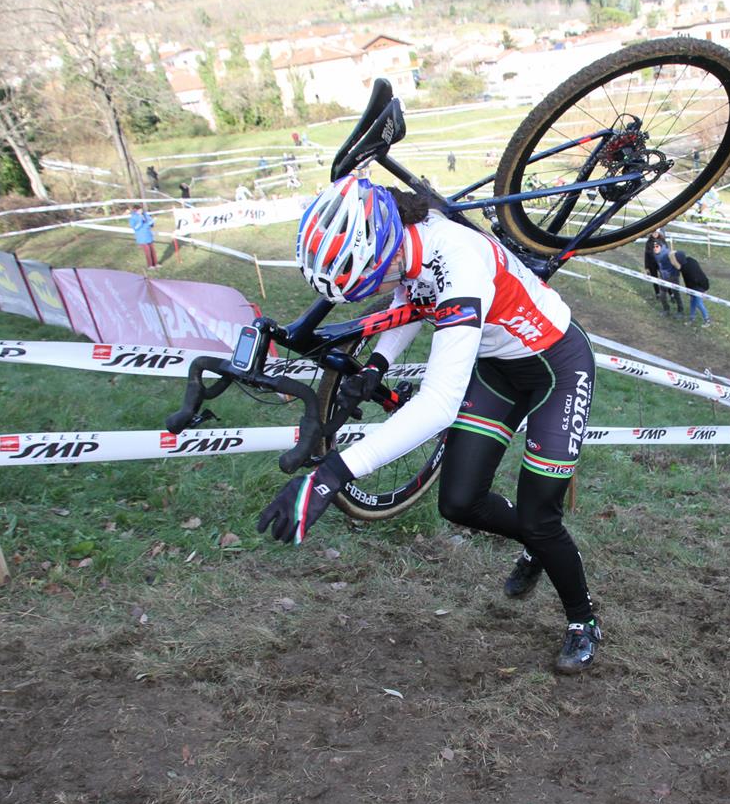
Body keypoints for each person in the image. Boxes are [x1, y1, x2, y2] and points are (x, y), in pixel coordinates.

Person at [258, 176, 602, 674]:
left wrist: (332, 473)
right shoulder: (407, 238)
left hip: (558, 369)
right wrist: (377, 362)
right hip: (500, 370)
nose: (371, 290)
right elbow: (411, 300)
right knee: (460, 502)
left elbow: (440, 401)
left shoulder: (457, 256)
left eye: (369, 280)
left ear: (387, 245)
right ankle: (535, 544)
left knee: (539, 516)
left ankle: (582, 619)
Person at [672, 248, 711, 325]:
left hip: (699, 286)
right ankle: (692, 318)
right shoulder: (691, 260)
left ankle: (707, 319)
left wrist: (703, 289)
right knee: (692, 302)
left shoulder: (684, 268)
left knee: (698, 302)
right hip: (699, 284)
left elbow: (690, 279)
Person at [653, 237, 684, 319]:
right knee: (662, 294)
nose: (655, 248)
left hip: (673, 275)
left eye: (656, 246)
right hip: (663, 277)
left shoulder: (667, 253)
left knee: (676, 294)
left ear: (661, 246)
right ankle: (666, 310)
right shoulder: (655, 254)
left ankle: (680, 311)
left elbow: (677, 257)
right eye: (653, 247)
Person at [128, 204, 159, 270]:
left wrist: (152, 222)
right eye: (139, 210)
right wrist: (140, 220)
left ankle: (155, 264)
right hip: (141, 237)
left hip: (148, 235)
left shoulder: (144, 215)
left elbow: (149, 224)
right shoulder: (133, 218)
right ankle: (150, 266)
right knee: (147, 251)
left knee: (152, 250)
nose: (141, 211)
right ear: (135, 210)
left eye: (141, 209)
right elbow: (135, 227)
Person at [643, 229, 666, 300]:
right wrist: (646, 267)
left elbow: (667, 252)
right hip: (652, 264)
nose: (655, 234)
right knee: (654, 279)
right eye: (653, 232)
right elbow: (646, 255)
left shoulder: (662, 241)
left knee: (665, 278)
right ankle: (657, 293)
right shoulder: (648, 242)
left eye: (656, 232)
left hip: (661, 263)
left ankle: (671, 293)